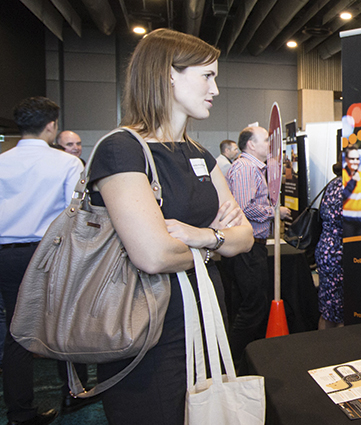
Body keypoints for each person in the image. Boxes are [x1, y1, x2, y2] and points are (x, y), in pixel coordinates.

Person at [87, 29, 253, 424]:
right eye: (207, 76)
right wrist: (218, 241)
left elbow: (245, 236)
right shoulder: (122, 149)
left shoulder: (199, 153)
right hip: (146, 324)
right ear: (167, 76)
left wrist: (200, 236)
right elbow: (154, 254)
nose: (215, 88)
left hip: (206, 309)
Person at [0, 96, 82, 425]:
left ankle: (20, 412)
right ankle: (73, 392)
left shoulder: (1, 161)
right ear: (51, 126)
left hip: (6, 255)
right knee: (62, 323)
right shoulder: (66, 164)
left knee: (16, 333)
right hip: (49, 253)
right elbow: (72, 217)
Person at [224, 125, 291, 364]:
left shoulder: (252, 168)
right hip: (247, 246)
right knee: (253, 306)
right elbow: (244, 207)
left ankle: (240, 358)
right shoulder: (245, 168)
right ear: (250, 144)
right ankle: (236, 360)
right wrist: (275, 211)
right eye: (265, 140)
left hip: (251, 246)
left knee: (248, 304)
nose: (270, 145)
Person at [316, 163, 345, 329]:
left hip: (327, 248)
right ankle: (336, 352)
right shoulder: (346, 186)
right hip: (338, 252)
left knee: (328, 309)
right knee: (340, 312)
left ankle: (322, 350)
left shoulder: (333, 183)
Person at [341, 146, 361, 237]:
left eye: (357, 159)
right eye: (352, 159)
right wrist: (352, 182)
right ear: (346, 160)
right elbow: (342, 196)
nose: (355, 161)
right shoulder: (343, 176)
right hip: (346, 222)